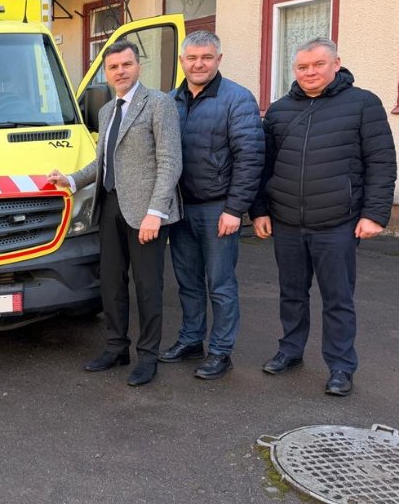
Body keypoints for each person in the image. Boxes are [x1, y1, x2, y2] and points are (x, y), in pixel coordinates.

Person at [250, 37, 396, 396]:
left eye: (318, 64)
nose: (310, 72)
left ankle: (341, 366)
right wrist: (260, 210)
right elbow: (264, 166)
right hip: (286, 221)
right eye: (302, 66)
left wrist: (374, 214)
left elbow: (381, 162)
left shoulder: (363, 104)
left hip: (337, 223)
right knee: (291, 294)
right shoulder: (280, 110)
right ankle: (290, 350)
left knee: (338, 299)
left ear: (336, 64)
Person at [48, 40, 181, 386]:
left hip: (146, 213)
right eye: (113, 67)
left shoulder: (159, 104)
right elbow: (102, 162)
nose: (120, 72)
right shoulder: (108, 110)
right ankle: (116, 347)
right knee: (111, 282)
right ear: (106, 73)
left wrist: (156, 212)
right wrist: (71, 180)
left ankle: (148, 356)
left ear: (138, 67)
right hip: (109, 207)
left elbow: (170, 162)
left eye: (126, 64)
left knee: (148, 287)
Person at [159, 32, 264, 379]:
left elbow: (250, 158)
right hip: (180, 209)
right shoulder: (170, 101)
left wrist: (235, 209)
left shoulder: (237, 99)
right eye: (192, 58)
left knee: (220, 285)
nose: (198, 64)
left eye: (206, 57)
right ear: (182, 62)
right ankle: (191, 340)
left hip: (218, 209)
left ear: (219, 59)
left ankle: (220, 351)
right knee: (188, 282)